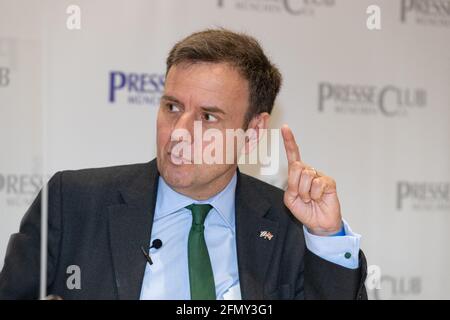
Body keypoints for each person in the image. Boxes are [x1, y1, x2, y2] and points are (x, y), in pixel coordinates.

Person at [0, 29, 367, 300]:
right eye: (172, 107)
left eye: (208, 117)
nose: (178, 132)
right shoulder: (73, 203)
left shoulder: (291, 228)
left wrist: (325, 239)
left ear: (252, 133)